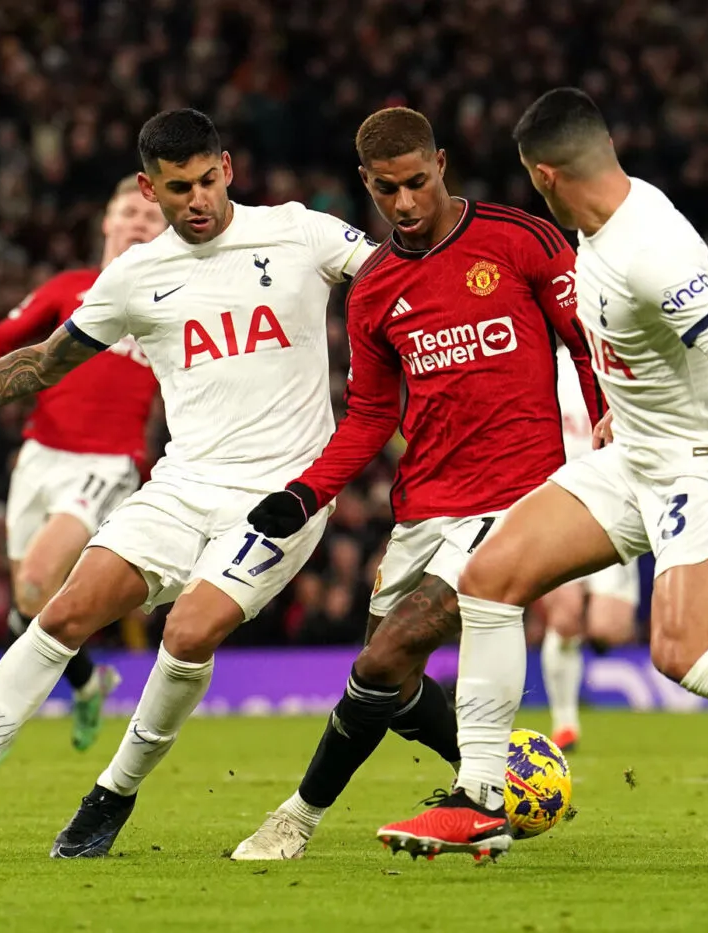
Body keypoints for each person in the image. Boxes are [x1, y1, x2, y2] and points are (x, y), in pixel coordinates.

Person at [375, 89, 708, 885]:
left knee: (683, 652)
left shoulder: (651, 248)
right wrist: (619, 410)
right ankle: (480, 796)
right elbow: (641, 349)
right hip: (636, 453)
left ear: (546, 173)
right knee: (488, 578)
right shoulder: (601, 226)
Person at [0, 108, 376, 859]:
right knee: (61, 614)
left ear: (228, 167)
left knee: (188, 630)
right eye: (177, 186)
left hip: (283, 494)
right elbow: (42, 362)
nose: (197, 199)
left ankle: (112, 793)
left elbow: (403, 280)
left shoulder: (301, 231)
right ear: (147, 187)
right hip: (181, 485)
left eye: (207, 180)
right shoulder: (134, 277)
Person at [229, 107, 601, 861]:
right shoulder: (374, 290)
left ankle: (300, 817)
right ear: (366, 184)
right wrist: (307, 491)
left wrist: (606, 433)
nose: (405, 203)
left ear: (442, 163)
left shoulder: (520, 238)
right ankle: (500, 771)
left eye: (417, 182)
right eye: (388, 189)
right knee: (390, 685)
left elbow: (589, 344)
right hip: (426, 504)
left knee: (380, 656)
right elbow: (369, 414)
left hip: (518, 498)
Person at [0, 177, 167, 751]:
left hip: (107, 463)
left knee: (39, 579)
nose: (139, 221)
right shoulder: (71, 289)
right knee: (28, 604)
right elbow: (8, 335)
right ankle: (89, 683)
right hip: (40, 456)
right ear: (107, 222)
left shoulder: (172, 300)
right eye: (129, 210)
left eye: (151, 216)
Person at [537, 345, 640, 753]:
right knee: (563, 618)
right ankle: (565, 724)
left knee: (609, 629)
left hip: (615, 510)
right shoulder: (542, 366)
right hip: (560, 509)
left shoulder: (616, 367)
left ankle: (587, 635)